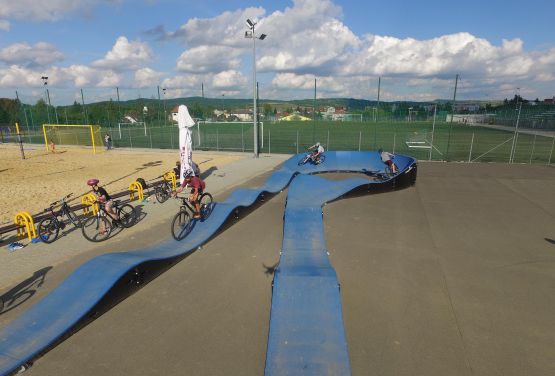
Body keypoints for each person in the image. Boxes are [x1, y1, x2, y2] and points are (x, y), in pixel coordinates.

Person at [177, 104, 196, 184]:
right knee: (186, 162)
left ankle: (187, 179)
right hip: (185, 153)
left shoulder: (183, 130)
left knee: (187, 162)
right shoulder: (184, 130)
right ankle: (187, 179)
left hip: (185, 153)